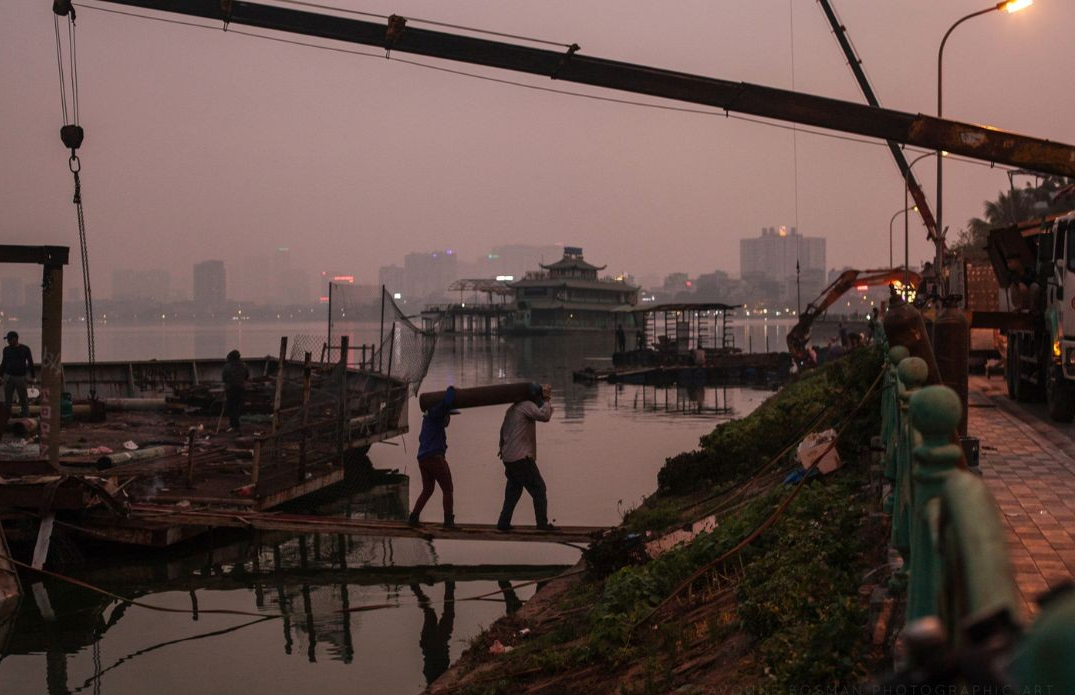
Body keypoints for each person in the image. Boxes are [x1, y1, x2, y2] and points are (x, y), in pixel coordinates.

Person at [496, 382, 554, 532]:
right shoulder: (526, 406)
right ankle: (542, 524)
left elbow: (502, 432)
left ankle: (503, 523)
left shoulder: (511, 410)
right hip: (520, 458)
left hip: (509, 458)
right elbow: (545, 415)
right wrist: (547, 399)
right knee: (539, 489)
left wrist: (501, 448)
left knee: (514, 491)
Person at [410, 386, 459, 529]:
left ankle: (413, 518)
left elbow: (421, 438)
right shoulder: (435, 413)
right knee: (448, 489)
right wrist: (451, 390)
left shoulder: (427, 420)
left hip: (423, 459)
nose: (449, 420)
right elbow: (447, 403)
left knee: (428, 489)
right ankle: (448, 522)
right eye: (449, 416)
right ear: (445, 415)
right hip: (434, 458)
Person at [1, 331, 35, 417]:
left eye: (9, 339)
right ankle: (7, 417)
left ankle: (25, 416)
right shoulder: (6, 350)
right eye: (7, 339)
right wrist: (0, 375)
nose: (8, 341)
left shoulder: (25, 349)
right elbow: (3, 363)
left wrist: (33, 376)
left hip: (21, 377)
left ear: (15, 339)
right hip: (9, 377)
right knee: (8, 399)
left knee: (23, 398)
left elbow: (30, 362)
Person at [221, 349, 249, 432]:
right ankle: (236, 425)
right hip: (241, 389)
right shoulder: (244, 365)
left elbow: (224, 378)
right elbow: (247, 376)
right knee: (237, 407)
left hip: (231, 389)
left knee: (231, 408)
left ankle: (233, 425)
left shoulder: (227, 366)